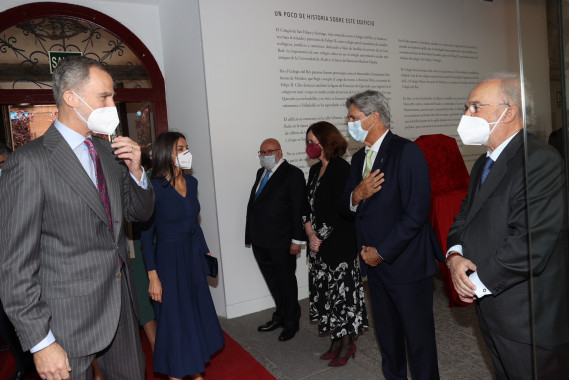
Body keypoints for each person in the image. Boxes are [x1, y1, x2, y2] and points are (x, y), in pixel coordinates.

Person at [0, 55, 154, 380]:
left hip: (120, 306)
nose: (113, 103)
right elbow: (14, 267)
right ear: (72, 98)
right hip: (66, 318)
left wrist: (138, 171)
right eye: (105, 96)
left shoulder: (109, 154)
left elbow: (139, 212)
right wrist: (41, 342)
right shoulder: (30, 162)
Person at [447, 74, 569, 379]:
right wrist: (455, 256)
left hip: (527, 320)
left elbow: (530, 243)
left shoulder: (539, 160)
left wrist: (472, 282)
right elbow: (464, 217)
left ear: (509, 112)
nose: (466, 116)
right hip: (492, 309)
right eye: (466, 107)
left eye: (475, 107)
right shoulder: (483, 162)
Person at [340, 90, 442, 379]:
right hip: (374, 267)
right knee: (388, 339)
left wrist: (381, 252)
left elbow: (416, 213)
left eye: (353, 118)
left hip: (405, 265)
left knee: (419, 342)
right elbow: (345, 206)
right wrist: (356, 196)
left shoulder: (406, 152)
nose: (349, 123)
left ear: (374, 117)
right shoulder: (359, 159)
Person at [140, 131, 224, 380]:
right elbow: (146, 236)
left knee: (194, 318)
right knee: (176, 324)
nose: (185, 153)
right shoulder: (153, 188)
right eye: (180, 148)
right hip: (168, 260)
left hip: (192, 258)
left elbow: (195, 224)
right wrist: (153, 277)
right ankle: (178, 375)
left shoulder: (193, 183)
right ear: (167, 152)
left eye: (187, 147)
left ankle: (196, 371)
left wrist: (206, 252)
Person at [302, 121, 368, 367]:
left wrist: (318, 236)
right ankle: (335, 340)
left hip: (339, 246)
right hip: (318, 247)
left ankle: (348, 344)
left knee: (343, 297)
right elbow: (305, 205)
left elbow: (341, 211)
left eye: (313, 142)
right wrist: (309, 231)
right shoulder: (312, 171)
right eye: (307, 142)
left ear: (326, 142)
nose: (309, 146)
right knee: (327, 296)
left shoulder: (342, 169)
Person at [245, 138, 305, 342]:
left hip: (282, 241)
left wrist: (298, 240)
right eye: (262, 152)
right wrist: (249, 235)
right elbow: (255, 204)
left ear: (279, 153)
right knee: (273, 282)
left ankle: (292, 322)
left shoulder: (293, 174)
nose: (265, 156)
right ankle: (280, 316)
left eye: (269, 151)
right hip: (261, 240)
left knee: (286, 282)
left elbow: (298, 209)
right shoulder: (260, 172)